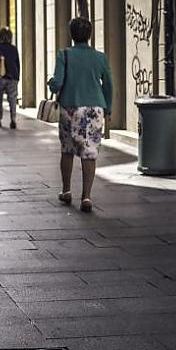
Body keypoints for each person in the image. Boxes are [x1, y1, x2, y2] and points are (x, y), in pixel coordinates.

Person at [48, 17, 113, 213]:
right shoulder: (100, 57)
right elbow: (108, 85)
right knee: (90, 152)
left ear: (72, 35)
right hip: (94, 109)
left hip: (70, 107)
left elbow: (57, 83)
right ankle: (86, 196)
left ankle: (66, 190)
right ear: (89, 35)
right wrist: (108, 108)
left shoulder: (64, 54)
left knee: (67, 149)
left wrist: (51, 83)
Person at [0, 27, 21, 129]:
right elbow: (17, 63)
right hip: (12, 76)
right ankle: (13, 119)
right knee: (12, 99)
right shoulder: (13, 48)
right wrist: (17, 77)